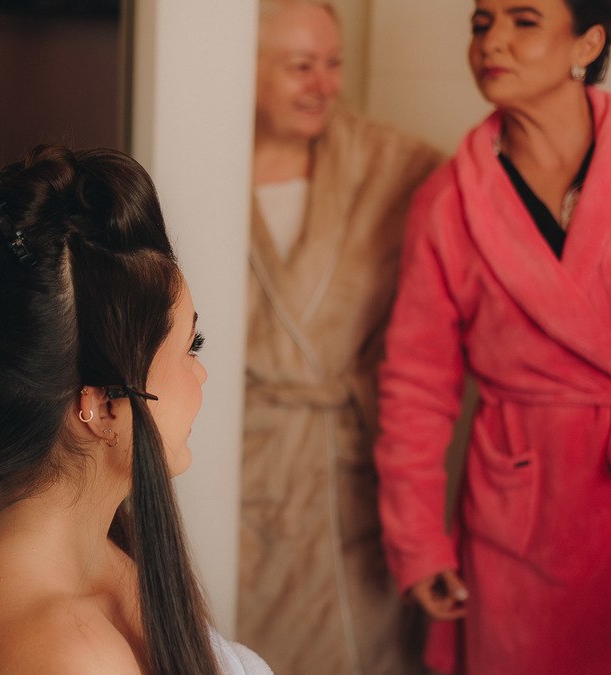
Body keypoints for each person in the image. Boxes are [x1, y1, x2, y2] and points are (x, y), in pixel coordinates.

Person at [0, 145, 271, 674]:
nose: (201, 376)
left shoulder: (19, 528)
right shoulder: (72, 658)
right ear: (100, 408)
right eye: (190, 348)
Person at [375, 0, 611, 672]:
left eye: (523, 20)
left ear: (587, 44)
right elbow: (416, 385)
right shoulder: (448, 203)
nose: (492, 41)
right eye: (481, 24)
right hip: (521, 513)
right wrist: (419, 541)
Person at [238, 1, 443, 673]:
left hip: (347, 469)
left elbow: (485, 202)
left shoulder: (387, 165)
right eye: (301, 66)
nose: (324, 85)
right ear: (247, 67)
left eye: (334, 64)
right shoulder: (196, 162)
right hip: (243, 469)